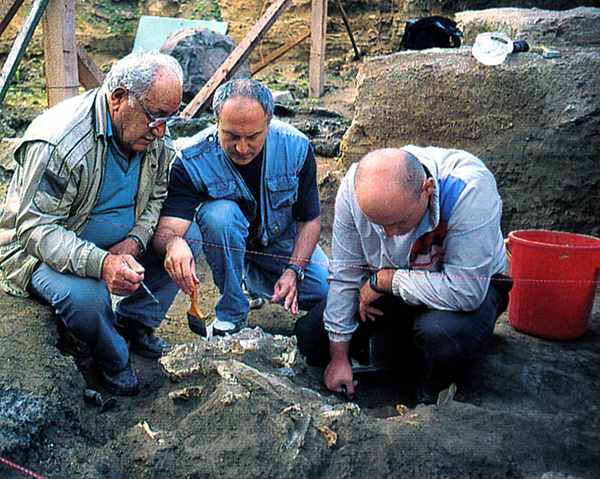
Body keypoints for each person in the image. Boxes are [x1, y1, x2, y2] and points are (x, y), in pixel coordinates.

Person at [0, 52, 189, 396]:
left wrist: (134, 242)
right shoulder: (61, 143)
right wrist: (100, 263)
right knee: (87, 298)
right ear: (118, 99)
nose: (161, 130)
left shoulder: (154, 136)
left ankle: (135, 324)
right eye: (155, 116)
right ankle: (112, 358)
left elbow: (157, 197)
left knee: (188, 240)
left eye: (170, 118)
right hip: (36, 253)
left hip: (117, 243)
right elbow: (34, 228)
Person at [294, 146, 512, 404]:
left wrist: (386, 280)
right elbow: (345, 273)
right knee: (312, 338)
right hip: (397, 285)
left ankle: (434, 387)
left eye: (398, 223)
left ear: (427, 191)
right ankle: (399, 346)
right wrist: (339, 358)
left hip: (471, 291)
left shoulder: (470, 190)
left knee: (440, 335)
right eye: (378, 224)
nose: (388, 234)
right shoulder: (357, 189)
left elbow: (465, 292)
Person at [153, 78, 329, 336]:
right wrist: (172, 244)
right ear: (216, 122)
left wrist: (294, 270)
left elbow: (309, 220)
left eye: (253, 137)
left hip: (279, 244)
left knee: (325, 290)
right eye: (231, 136)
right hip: (226, 240)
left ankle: (253, 282)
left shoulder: (296, 147)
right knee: (219, 215)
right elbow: (168, 229)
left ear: (268, 123)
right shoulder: (191, 160)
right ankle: (232, 312)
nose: (242, 148)